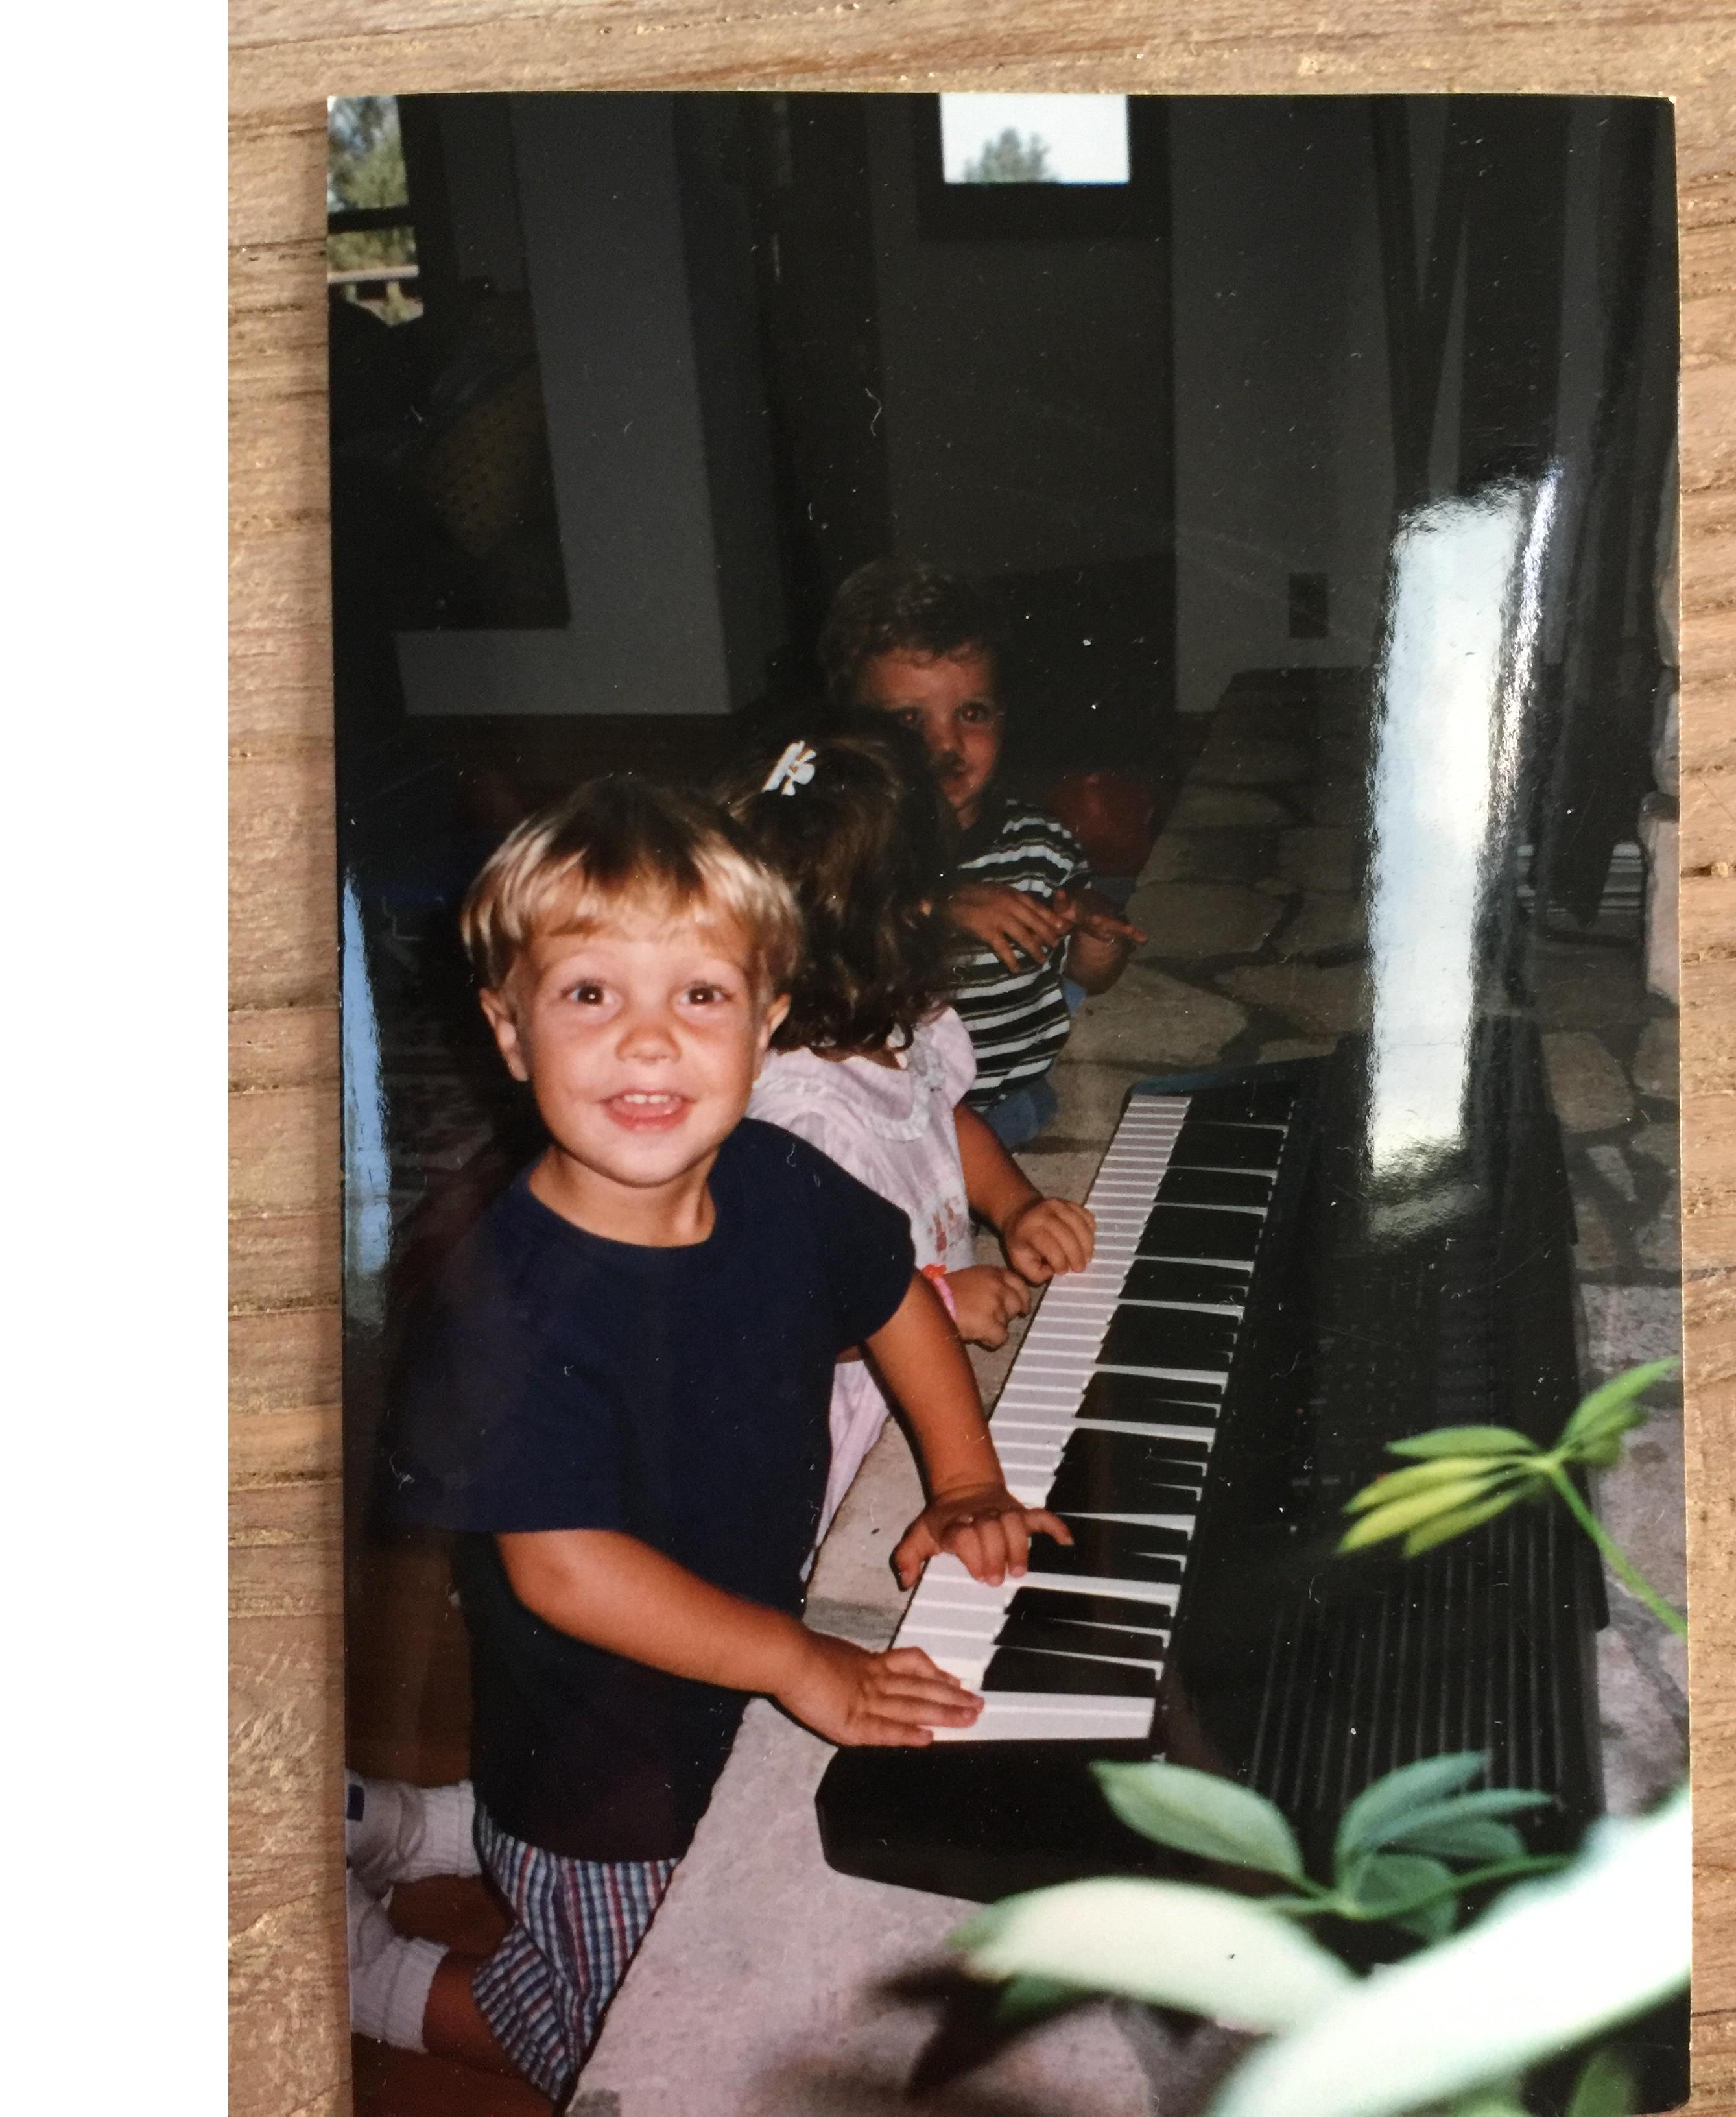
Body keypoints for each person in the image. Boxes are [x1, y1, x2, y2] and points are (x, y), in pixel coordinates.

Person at [347, 776, 1068, 2099]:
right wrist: (796, 1658)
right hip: (600, 1773)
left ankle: (427, 1823)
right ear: (508, 1034)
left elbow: (901, 1294)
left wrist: (966, 1478)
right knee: (627, 2025)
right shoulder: (505, 1297)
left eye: (700, 996)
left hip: (701, 1673)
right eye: (589, 995)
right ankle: (376, 1977)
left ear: (769, 1020)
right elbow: (562, 1569)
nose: (647, 1044)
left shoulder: (781, 1181)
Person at [720, 721, 1099, 1533]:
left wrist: (1016, 1205)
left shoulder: (902, 1023)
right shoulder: (795, 1123)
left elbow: (941, 1112)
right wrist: (937, 1302)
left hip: (921, 1369)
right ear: (921, 909)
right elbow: (773, 1328)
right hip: (833, 1409)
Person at [818, 558, 1146, 1149]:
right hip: (886, 1113)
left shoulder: (1038, 841)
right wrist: (936, 906)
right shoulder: (845, 841)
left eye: (972, 713)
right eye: (909, 719)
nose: (946, 743)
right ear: (855, 733)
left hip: (1011, 1101)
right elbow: (822, 936)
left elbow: (1086, 978)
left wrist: (1097, 943)